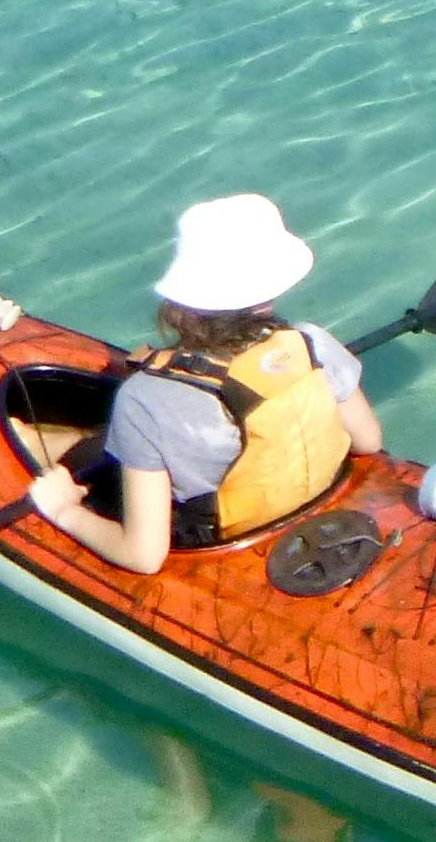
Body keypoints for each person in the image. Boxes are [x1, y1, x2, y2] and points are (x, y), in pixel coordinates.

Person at [21, 193, 385, 573]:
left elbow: (143, 556)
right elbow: (368, 441)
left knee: (109, 448)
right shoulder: (312, 344)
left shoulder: (145, 399)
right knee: (121, 440)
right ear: (268, 294)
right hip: (315, 503)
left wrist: (63, 511)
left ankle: (35, 440)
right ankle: (47, 439)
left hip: (220, 538)